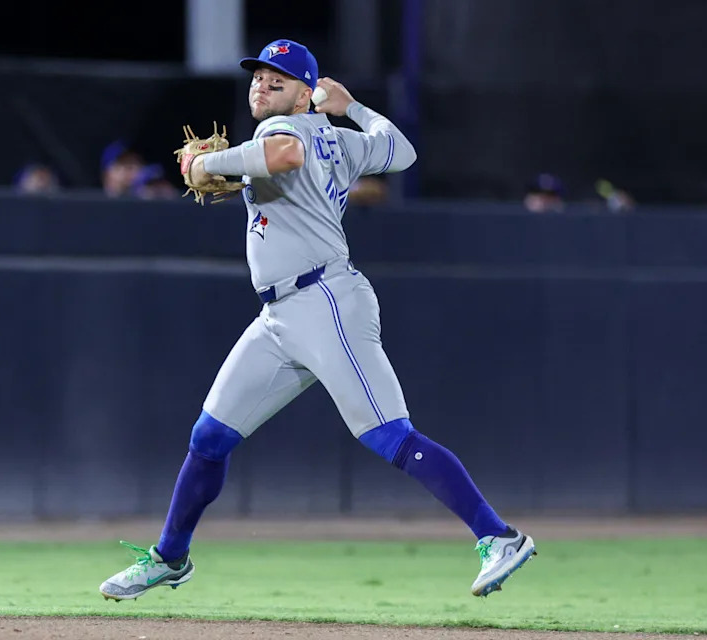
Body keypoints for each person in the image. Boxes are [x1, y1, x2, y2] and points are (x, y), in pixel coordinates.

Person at [99, 39, 536, 602]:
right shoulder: (338, 138)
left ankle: (498, 536)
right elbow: (400, 152)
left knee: (389, 436)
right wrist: (351, 107)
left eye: (277, 81)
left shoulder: (291, 131)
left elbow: (284, 157)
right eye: (258, 77)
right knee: (209, 437)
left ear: (305, 94)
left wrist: (205, 162)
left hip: (325, 302)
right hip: (281, 314)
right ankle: (170, 556)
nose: (262, 86)